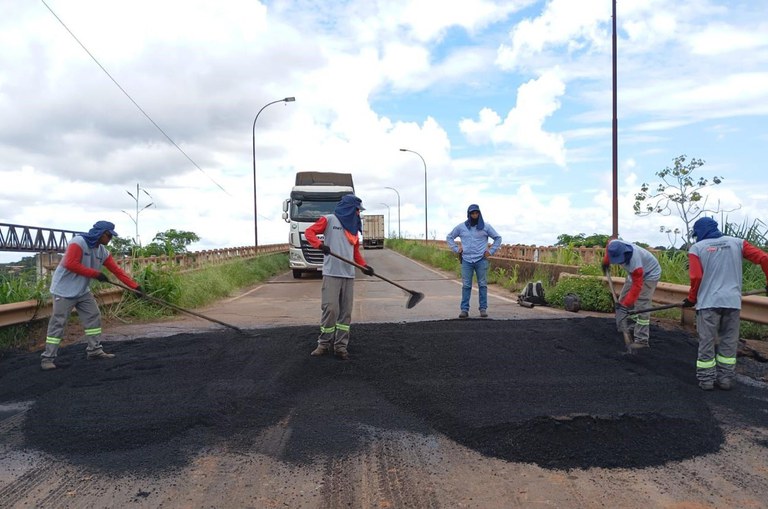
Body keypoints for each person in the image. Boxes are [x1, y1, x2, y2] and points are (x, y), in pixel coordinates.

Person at [40, 221, 142, 370]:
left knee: (93, 316)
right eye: (109, 236)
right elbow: (70, 264)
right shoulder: (78, 243)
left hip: (82, 290)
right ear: (100, 233)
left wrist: (135, 287)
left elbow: (117, 271)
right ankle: (48, 358)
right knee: (58, 323)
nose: (110, 239)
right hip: (64, 290)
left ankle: (94, 350)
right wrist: (95, 274)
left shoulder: (102, 252)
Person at [684, 217, 768, 391]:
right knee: (729, 342)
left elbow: (696, 277)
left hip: (708, 303)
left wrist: (692, 298)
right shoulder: (738, 243)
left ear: (699, 232)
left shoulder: (697, 248)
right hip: (732, 302)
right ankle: (725, 379)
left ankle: (706, 381)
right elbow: (764, 258)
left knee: (706, 341)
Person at [304, 194, 374, 360]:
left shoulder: (353, 228)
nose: (358, 213)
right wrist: (320, 245)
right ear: (349, 208)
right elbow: (309, 232)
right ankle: (323, 344)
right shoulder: (329, 220)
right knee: (330, 309)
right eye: (357, 210)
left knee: (345, 313)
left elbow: (355, 252)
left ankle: (341, 347)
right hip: (332, 273)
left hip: (348, 275)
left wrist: (364, 266)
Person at [602, 238, 661, 349]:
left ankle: (642, 339)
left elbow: (637, 286)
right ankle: (626, 326)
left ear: (625, 254)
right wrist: (605, 262)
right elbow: (608, 248)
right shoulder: (613, 244)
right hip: (632, 275)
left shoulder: (635, 262)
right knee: (621, 302)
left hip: (650, 274)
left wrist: (626, 305)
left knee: (642, 305)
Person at [446, 204, 502, 318]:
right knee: (466, 285)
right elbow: (449, 237)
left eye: (476, 213)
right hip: (466, 260)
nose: (474, 215)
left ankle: (483, 308)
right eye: (472, 213)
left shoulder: (486, 227)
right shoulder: (461, 227)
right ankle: (464, 309)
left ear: (479, 213)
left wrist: (491, 251)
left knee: (482, 285)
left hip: (481, 259)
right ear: (469, 214)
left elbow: (498, 238)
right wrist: (456, 249)